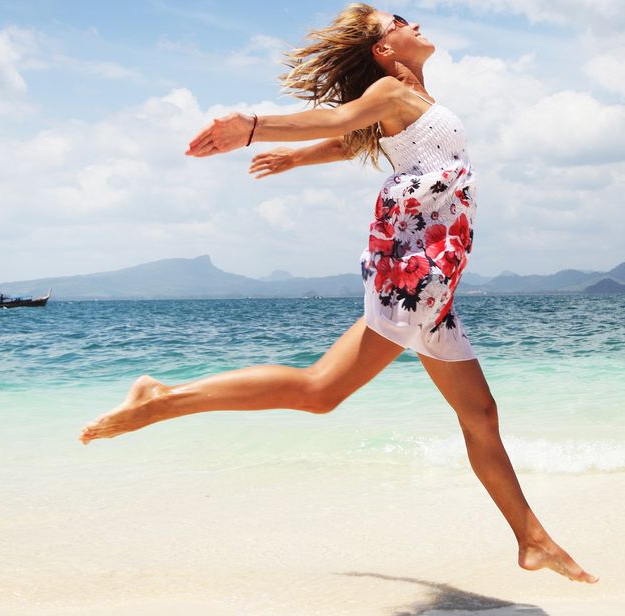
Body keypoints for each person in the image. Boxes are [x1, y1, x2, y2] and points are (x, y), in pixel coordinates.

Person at [78, 4, 598, 584]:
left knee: (480, 414)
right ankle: (163, 399)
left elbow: (352, 139)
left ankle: (532, 541)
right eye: (395, 20)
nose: (411, 20)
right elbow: (340, 118)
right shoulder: (389, 92)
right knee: (321, 389)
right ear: (384, 50)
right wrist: (251, 127)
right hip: (413, 272)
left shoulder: (413, 103)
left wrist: (297, 158)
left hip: (434, 280)